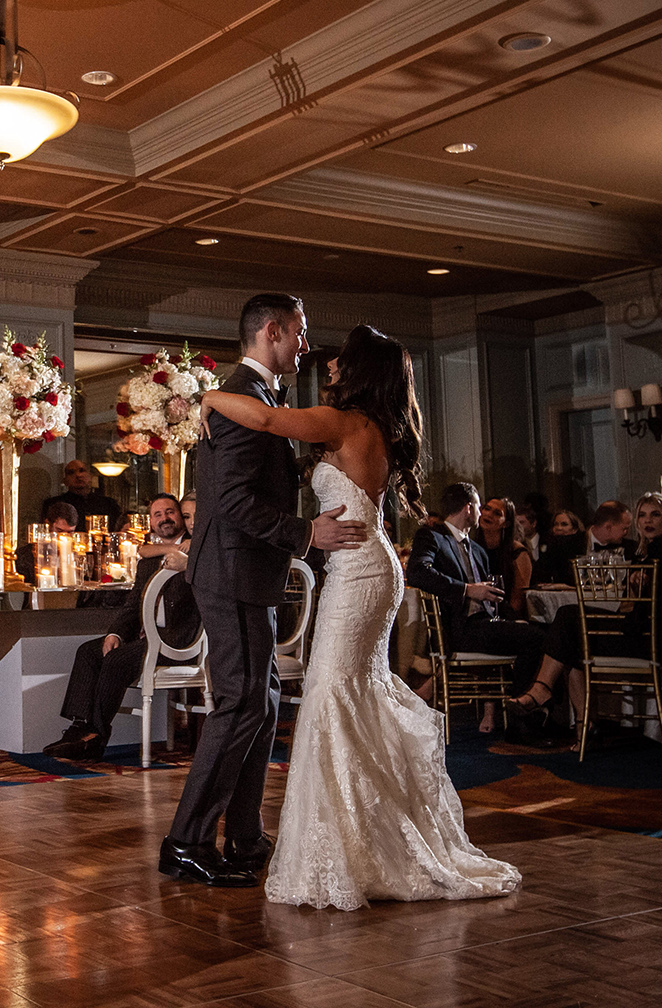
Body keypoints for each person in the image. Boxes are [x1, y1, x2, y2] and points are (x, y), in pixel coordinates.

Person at [203, 323, 521, 909]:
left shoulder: (343, 421)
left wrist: (205, 394)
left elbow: (270, 421)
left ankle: (353, 845)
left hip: (359, 570)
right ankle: (362, 837)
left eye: (340, 361)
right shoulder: (371, 426)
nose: (328, 367)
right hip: (365, 563)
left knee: (332, 695)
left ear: (360, 371)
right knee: (352, 694)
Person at [159, 293, 369, 890]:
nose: (306, 345)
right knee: (242, 702)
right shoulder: (240, 400)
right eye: (301, 333)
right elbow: (234, 504)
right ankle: (187, 841)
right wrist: (307, 532)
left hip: (247, 572)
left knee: (262, 701)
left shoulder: (256, 398)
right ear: (272, 332)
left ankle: (244, 833)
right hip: (231, 571)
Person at [510, 491, 662, 731]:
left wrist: (636, 591)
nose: (647, 521)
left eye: (655, 515)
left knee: (568, 621)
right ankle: (582, 722)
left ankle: (546, 694)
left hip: (656, 641)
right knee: (570, 628)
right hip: (652, 635)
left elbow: (660, 607)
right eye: (642, 515)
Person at [45, 494, 196, 760]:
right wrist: (114, 633)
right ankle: (79, 727)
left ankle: (96, 736)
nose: (165, 519)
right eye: (157, 515)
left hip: (177, 639)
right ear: (150, 522)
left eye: (170, 512)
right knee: (90, 652)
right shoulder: (148, 559)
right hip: (146, 638)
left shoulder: (197, 552)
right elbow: (131, 606)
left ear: (181, 517)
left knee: (116, 660)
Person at [407, 484, 547, 734]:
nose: (482, 512)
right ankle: (521, 718)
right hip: (459, 628)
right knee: (536, 639)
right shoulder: (433, 537)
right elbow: (417, 573)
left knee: (538, 633)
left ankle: (524, 710)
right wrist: (467, 589)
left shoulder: (479, 551)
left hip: (485, 625)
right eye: (480, 506)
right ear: (468, 508)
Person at [534, 501, 634, 586]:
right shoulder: (562, 545)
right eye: (624, 529)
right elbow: (541, 578)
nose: (627, 532)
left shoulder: (630, 548)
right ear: (608, 527)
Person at [473, 496, 532, 619]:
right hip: (479, 614)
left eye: (497, 513)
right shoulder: (472, 547)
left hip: (509, 616)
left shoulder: (517, 552)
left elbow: (518, 599)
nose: (488, 515)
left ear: (506, 523)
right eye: (487, 509)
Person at [42, 459, 125, 532]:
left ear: (91, 476)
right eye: (71, 472)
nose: (78, 475)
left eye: (82, 470)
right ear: (65, 481)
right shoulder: (53, 504)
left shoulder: (109, 504)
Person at [14, 501, 78, 585]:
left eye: (70, 532)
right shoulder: (24, 556)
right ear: (47, 524)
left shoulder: (78, 556)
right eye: (59, 531)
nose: (64, 537)